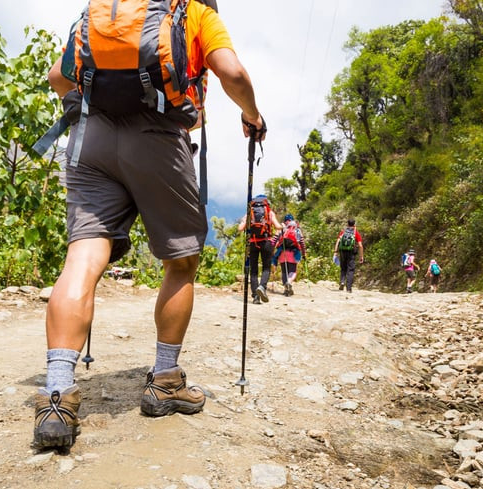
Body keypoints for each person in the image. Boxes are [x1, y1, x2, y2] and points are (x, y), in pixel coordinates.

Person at [34, 0, 265, 450]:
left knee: (83, 257)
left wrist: (94, 110)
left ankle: (57, 394)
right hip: (159, 138)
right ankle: (164, 381)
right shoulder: (194, 12)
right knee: (181, 260)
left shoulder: (103, 13)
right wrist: (252, 115)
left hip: (91, 140)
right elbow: (232, 73)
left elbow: (58, 78)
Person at [238, 195, 282, 305]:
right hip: (266, 242)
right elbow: (277, 227)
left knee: (253, 270)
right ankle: (262, 286)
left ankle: (255, 297)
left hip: (252, 243)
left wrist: (244, 223)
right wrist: (281, 225)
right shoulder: (269, 212)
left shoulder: (249, 212)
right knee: (266, 268)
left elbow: (240, 228)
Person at [271, 214, 306, 296]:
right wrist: (304, 253)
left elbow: (274, 240)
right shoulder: (297, 229)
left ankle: (286, 289)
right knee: (292, 271)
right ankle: (289, 282)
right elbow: (302, 243)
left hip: (282, 252)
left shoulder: (282, 228)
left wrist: (271, 251)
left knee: (284, 271)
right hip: (293, 253)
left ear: (284, 221)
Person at [333, 219, 364, 293]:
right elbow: (360, 245)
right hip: (351, 252)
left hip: (342, 251)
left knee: (343, 267)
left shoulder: (343, 232)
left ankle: (342, 282)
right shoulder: (355, 233)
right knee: (350, 269)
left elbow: (338, 241)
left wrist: (335, 251)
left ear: (347, 224)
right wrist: (361, 256)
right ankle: (348, 288)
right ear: (354, 224)